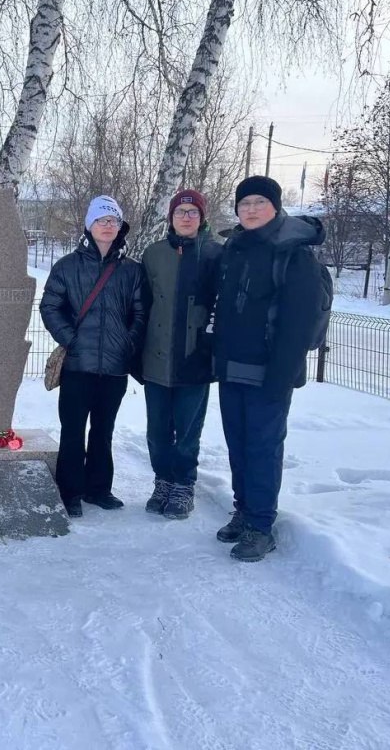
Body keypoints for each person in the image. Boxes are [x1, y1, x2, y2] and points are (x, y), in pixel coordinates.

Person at [213, 176, 325, 561]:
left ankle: (261, 526)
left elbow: (299, 324)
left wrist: (281, 378)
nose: (251, 209)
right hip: (232, 369)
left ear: (276, 207)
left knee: (263, 448)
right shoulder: (235, 247)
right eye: (244, 203)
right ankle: (244, 511)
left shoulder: (294, 254)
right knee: (238, 445)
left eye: (259, 202)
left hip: (269, 374)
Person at [40, 195, 149, 518]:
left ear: (120, 227)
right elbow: (50, 307)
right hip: (77, 365)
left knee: (104, 430)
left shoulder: (132, 271)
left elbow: (141, 313)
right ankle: (70, 491)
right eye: (102, 220)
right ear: (90, 225)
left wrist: (127, 343)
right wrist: (71, 340)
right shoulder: (67, 266)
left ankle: (99, 488)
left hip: (114, 368)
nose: (108, 225)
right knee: (72, 430)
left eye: (113, 220)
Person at [138, 189, 221, 520]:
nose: (186, 217)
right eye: (180, 212)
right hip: (156, 357)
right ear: (170, 217)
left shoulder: (215, 254)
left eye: (193, 212)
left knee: (188, 431)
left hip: (195, 358)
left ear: (202, 217)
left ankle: (183, 484)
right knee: (157, 431)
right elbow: (142, 304)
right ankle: (163, 481)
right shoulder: (154, 254)